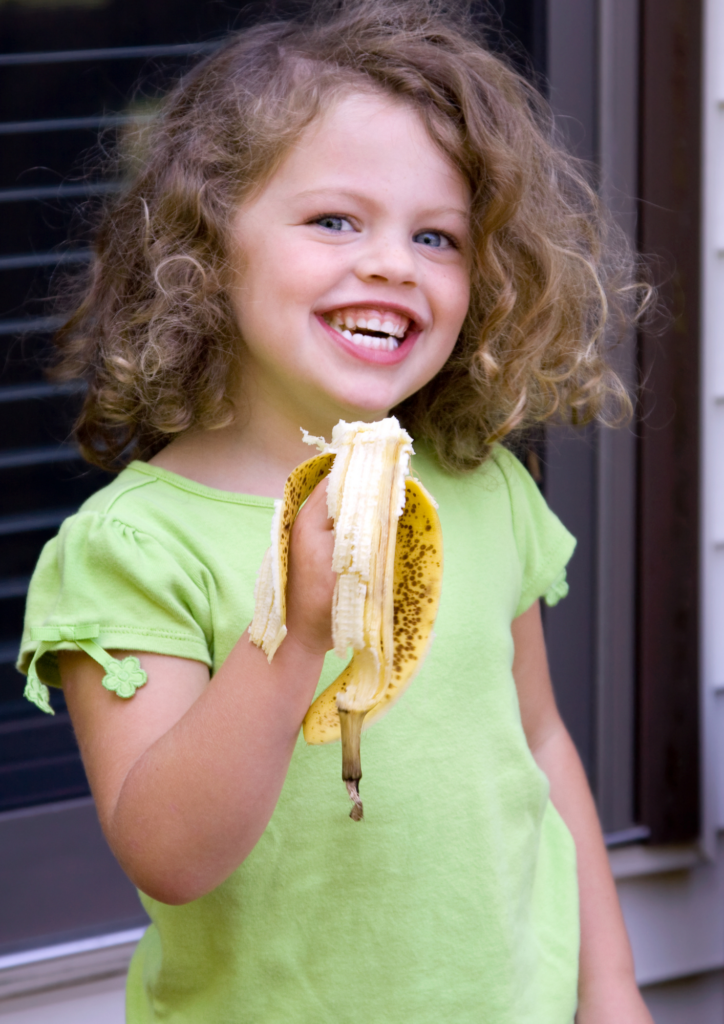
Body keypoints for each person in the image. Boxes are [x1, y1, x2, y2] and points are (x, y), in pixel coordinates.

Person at [17, 2, 654, 1021]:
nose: (393, 263)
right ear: (210, 242)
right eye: (334, 220)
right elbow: (169, 855)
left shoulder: (479, 486)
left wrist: (610, 987)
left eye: (437, 235)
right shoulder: (135, 549)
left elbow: (538, 745)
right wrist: (295, 632)